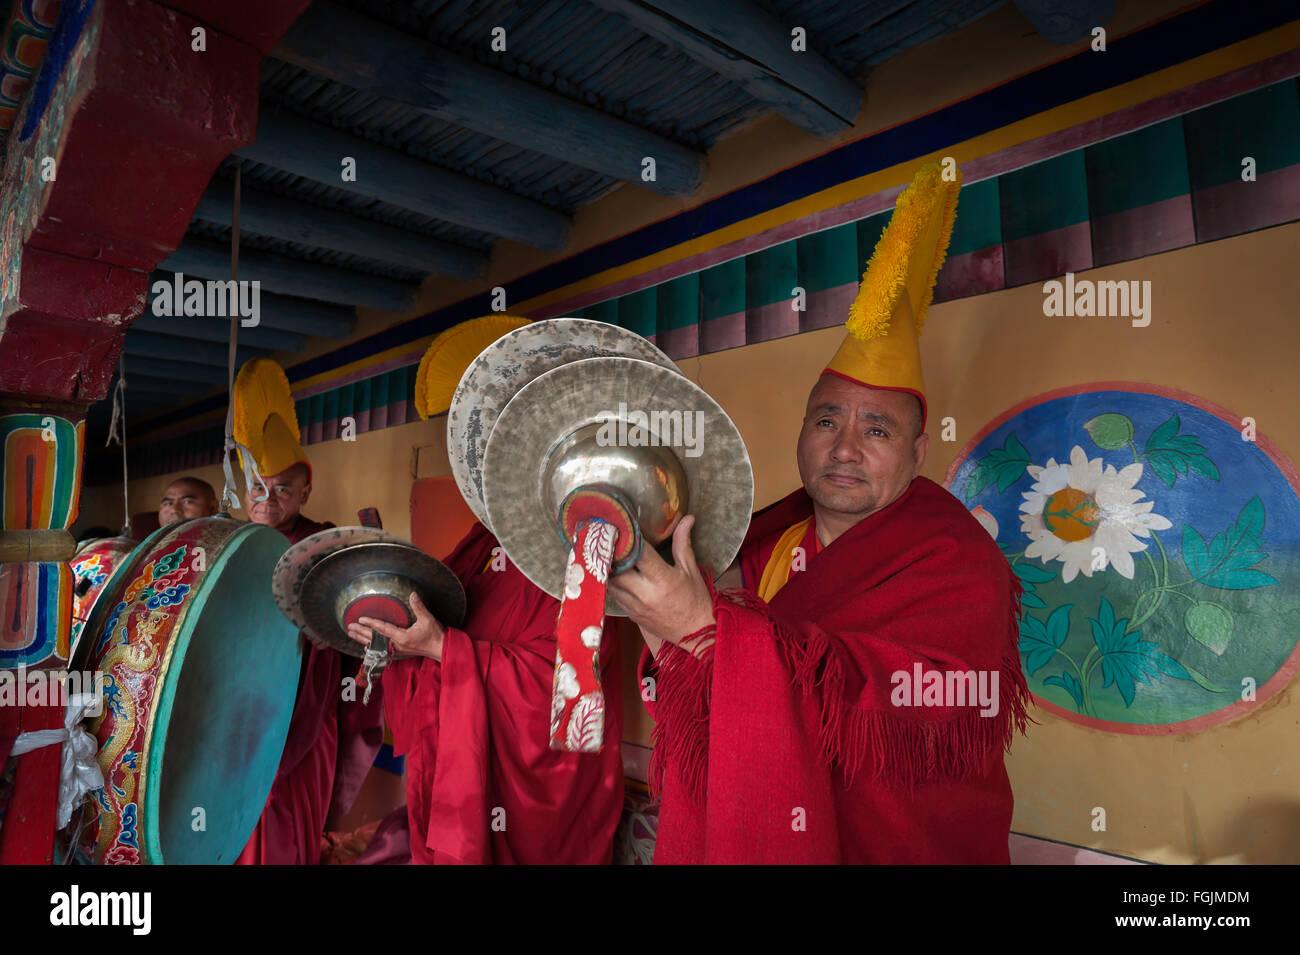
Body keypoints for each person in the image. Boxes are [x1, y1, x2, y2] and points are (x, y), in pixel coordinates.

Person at [609, 163, 1030, 864]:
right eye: (827, 420)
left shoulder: (957, 563)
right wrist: (669, 640)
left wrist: (705, 630)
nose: (844, 448)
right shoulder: (764, 538)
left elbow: (920, 706)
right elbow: (713, 680)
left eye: (878, 430)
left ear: (919, 452)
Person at [347, 316, 625, 864]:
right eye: (475, 440)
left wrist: (440, 649)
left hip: (532, 804)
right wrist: (388, 637)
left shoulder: (586, 537)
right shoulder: (482, 541)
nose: (482, 459)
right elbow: (431, 624)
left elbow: (571, 699)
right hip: (454, 767)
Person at [229, 357, 384, 865]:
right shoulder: (229, 546)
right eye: (257, 487)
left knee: (287, 831)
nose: (267, 499)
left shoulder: (325, 547)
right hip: (235, 716)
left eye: (282, 489)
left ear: (305, 492)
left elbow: (359, 630)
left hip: (306, 716)